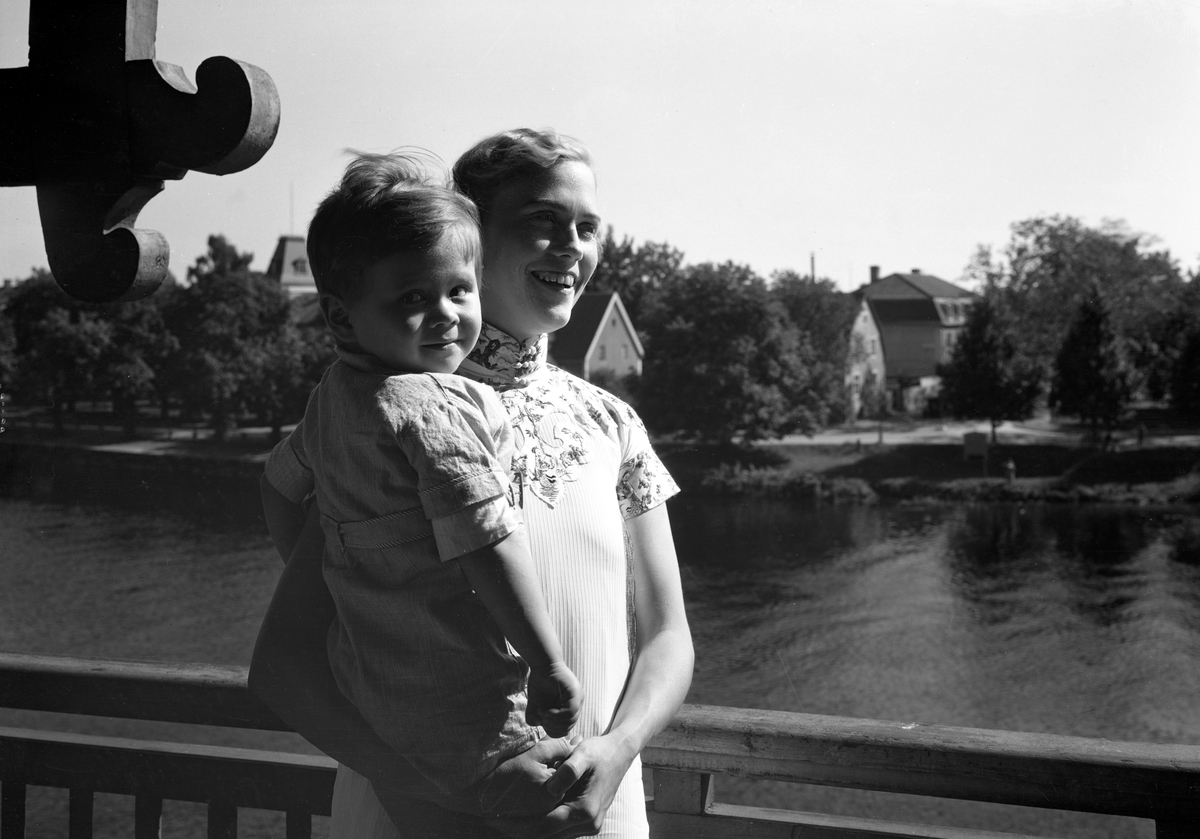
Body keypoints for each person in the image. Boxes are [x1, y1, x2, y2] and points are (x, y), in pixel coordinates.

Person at [251, 128, 694, 838]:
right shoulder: (378, 421)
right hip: (413, 816)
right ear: (471, 235)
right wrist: (443, 792)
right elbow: (286, 665)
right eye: (543, 220)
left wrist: (616, 752)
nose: (572, 246)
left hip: (592, 809)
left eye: (587, 228)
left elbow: (670, 637)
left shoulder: (614, 424)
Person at [261, 152, 582, 796]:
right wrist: (548, 663)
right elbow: (488, 540)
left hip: (370, 683)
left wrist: (329, 567)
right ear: (341, 316)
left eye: (459, 290)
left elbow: (276, 484)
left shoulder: (332, 398)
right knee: (538, 805)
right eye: (413, 297)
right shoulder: (433, 404)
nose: (445, 314)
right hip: (467, 698)